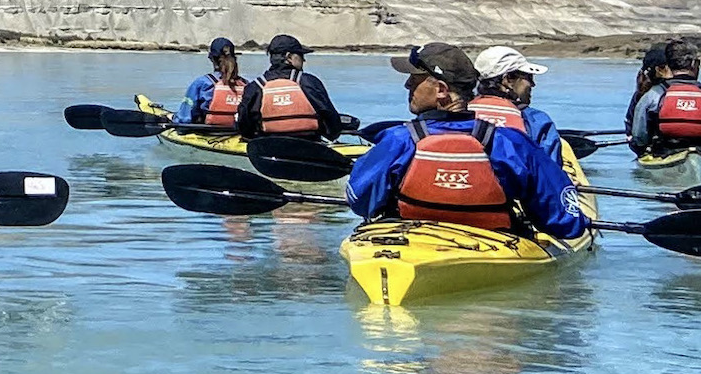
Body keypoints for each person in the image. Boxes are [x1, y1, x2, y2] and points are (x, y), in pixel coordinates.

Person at [348, 43, 590, 244]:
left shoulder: (397, 140)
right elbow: (565, 224)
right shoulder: (511, 143)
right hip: (493, 242)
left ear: (441, 90)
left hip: (411, 241)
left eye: (415, 78)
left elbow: (360, 201)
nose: (407, 85)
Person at [235, 34, 346, 140]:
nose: (304, 60)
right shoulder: (310, 82)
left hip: (268, 145)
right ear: (289, 57)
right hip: (310, 146)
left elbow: (244, 126)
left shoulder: (255, 87)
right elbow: (332, 123)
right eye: (301, 56)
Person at [468, 46, 562, 148]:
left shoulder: (461, 113)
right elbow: (550, 161)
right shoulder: (536, 121)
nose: (533, 84)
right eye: (528, 77)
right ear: (508, 80)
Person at [176, 37, 250, 132]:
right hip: (237, 133)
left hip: (209, 133)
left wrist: (173, 119)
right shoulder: (247, 85)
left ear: (211, 58)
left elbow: (184, 119)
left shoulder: (201, 83)